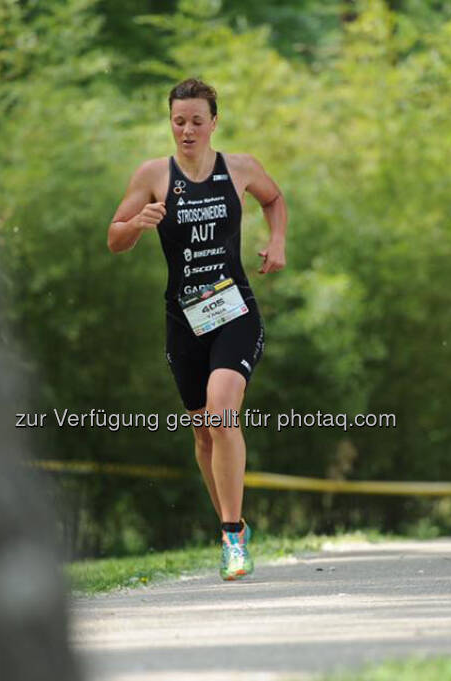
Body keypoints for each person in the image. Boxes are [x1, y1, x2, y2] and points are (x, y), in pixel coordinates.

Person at [107, 78, 287, 580]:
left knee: (222, 410)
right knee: (205, 433)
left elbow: (275, 200)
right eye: (178, 121)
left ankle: (232, 538)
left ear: (214, 123)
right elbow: (113, 239)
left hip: (234, 309)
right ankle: (234, 526)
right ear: (171, 122)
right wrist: (137, 224)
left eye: (196, 121)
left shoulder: (241, 168)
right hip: (183, 319)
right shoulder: (152, 175)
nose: (186, 130)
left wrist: (278, 242)